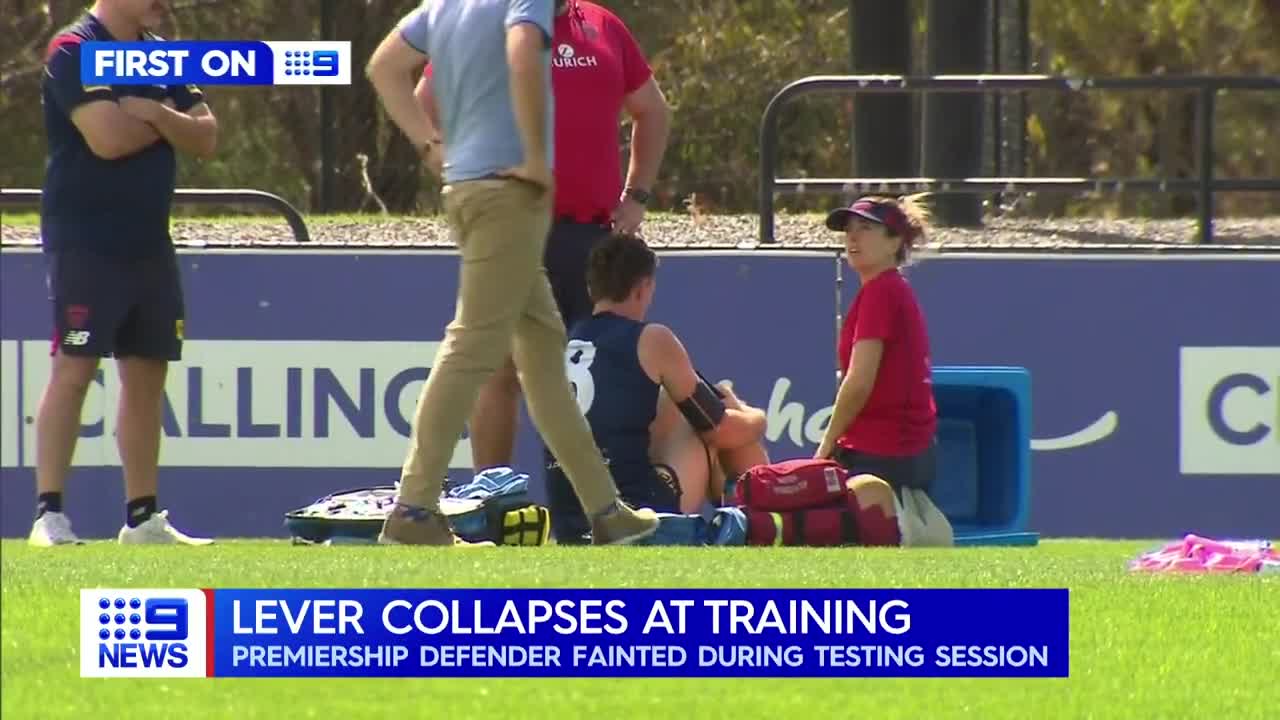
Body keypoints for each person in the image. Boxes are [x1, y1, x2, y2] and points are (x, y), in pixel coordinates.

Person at [365, 0, 659, 546]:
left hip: (474, 188)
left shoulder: (446, 4)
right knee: (472, 345)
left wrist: (429, 146)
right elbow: (523, 50)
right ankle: (414, 509)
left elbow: (384, 66)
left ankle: (605, 509)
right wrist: (531, 154)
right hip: (508, 194)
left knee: (543, 357)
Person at [414, 0, 672, 471]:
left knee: (590, 369)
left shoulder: (602, 26)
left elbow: (652, 110)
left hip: (592, 236)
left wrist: (636, 195)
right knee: (499, 370)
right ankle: (493, 503)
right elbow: (425, 102)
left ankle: (587, 510)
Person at [28, 0, 218, 547]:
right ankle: (50, 516)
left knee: (146, 376)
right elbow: (106, 139)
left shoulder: (160, 59)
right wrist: (166, 120)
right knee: (74, 370)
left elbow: (206, 137)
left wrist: (155, 112)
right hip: (85, 240)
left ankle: (142, 518)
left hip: (148, 241)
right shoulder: (73, 50)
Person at [546, 233, 771, 543]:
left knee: (670, 403)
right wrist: (758, 418)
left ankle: (753, 518)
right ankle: (762, 522)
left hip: (569, 520)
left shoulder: (565, 341)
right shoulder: (652, 339)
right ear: (644, 288)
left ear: (591, 288)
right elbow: (719, 430)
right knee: (707, 424)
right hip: (635, 513)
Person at [813, 195, 953, 545]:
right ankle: (904, 518)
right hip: (909, 452)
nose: (853, 237)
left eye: (866, 229)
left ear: (895, 242)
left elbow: (858, 382)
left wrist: (826, 446)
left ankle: (897, 526)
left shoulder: (882, 291)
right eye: (848, 229)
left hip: (884, 451)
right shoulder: (887, 290)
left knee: (816, 520)